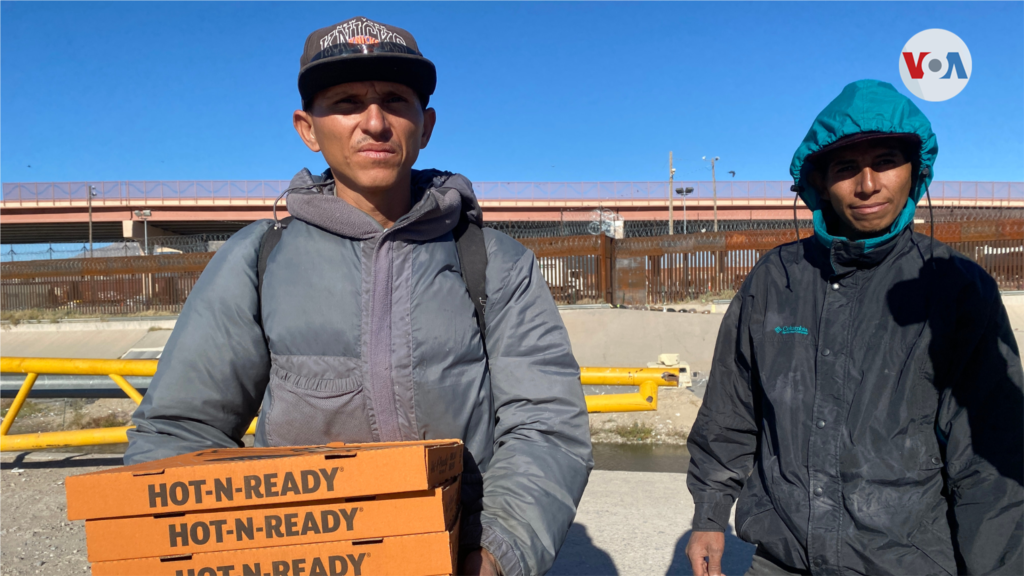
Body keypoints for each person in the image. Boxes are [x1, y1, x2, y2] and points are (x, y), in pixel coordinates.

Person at [124, 16, 592, 576]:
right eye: (346, 102)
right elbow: (180, 428)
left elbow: (546, 426)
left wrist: (496, 553)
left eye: (395, 100)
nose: (374, 122)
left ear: (427, 124)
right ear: (307, 127)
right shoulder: (256, 259)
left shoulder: (495, 262)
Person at [684, 79, 1024, 576]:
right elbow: (730, 410)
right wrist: (708, 514)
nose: (867, 185)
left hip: (910, 564)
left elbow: (989, 460)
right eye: (846, 168)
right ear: (820, 182)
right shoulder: (775, 280)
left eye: (886, 161)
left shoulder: (957, 288)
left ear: (914, 172)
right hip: (783, 561)